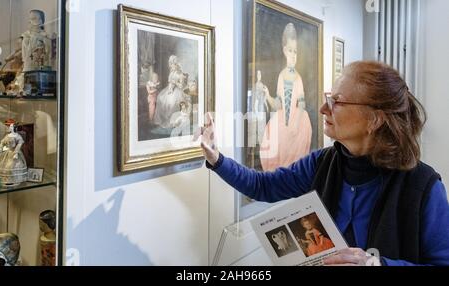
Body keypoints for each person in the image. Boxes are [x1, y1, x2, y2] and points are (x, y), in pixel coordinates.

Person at [197, 61, 449, 266]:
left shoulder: (423, 187)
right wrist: (216, 158)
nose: (322, 109)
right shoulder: (323, 163)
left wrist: (378, 265)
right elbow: (263, 186)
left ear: (374, 120)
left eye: (336, 101)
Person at [260, 23, 312, 172]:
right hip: (283, 119)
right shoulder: (281, 76)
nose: (293, 54)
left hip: (298, 120)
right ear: (284, 51)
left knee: (295, 153)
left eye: (295, 51)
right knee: (274, 137)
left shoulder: (298, 78)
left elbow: (302, 104)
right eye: (290, 50)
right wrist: (268, 95)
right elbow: (278, 104)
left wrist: (295, 123)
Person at [153, 55, 191, 129]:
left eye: (173, 64)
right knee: (160, 97)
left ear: (176, 65)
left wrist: (175, 83)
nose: (171, 66)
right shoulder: (172, 73)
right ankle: (163, 119)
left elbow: (182, 86)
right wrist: (170, 88)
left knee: (172, 102)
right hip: (171, 89)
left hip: (179, 91)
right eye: (171, 64)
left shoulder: (180, 74)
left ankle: (173, 121)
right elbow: (170, 82)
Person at [0, 121, 27, 186]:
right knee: (5, 165)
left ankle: (15, 179)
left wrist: (16, 153)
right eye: (10, 127)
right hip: (8, 152)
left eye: (11, 127)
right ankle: (6, 179)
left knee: (14, 166)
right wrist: (0, 148)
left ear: (15, 128)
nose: (10, 128)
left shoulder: (17, 136)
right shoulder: (7, 135)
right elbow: (2, 143)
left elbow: (19, 145)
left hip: (15, 153)